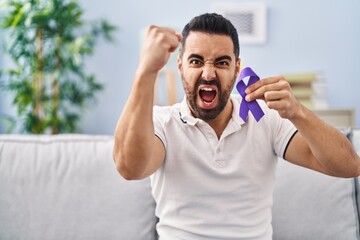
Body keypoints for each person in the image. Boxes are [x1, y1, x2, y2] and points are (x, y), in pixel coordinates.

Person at [113, 13, 360, 240]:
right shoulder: (162, 123)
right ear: (180, 66)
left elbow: (349, 166)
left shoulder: (265, 118)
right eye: (196, 61)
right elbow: (129, 168)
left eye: (221, 62)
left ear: (237, 68)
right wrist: (146, 70)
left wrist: (298, 112)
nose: (208, 74)